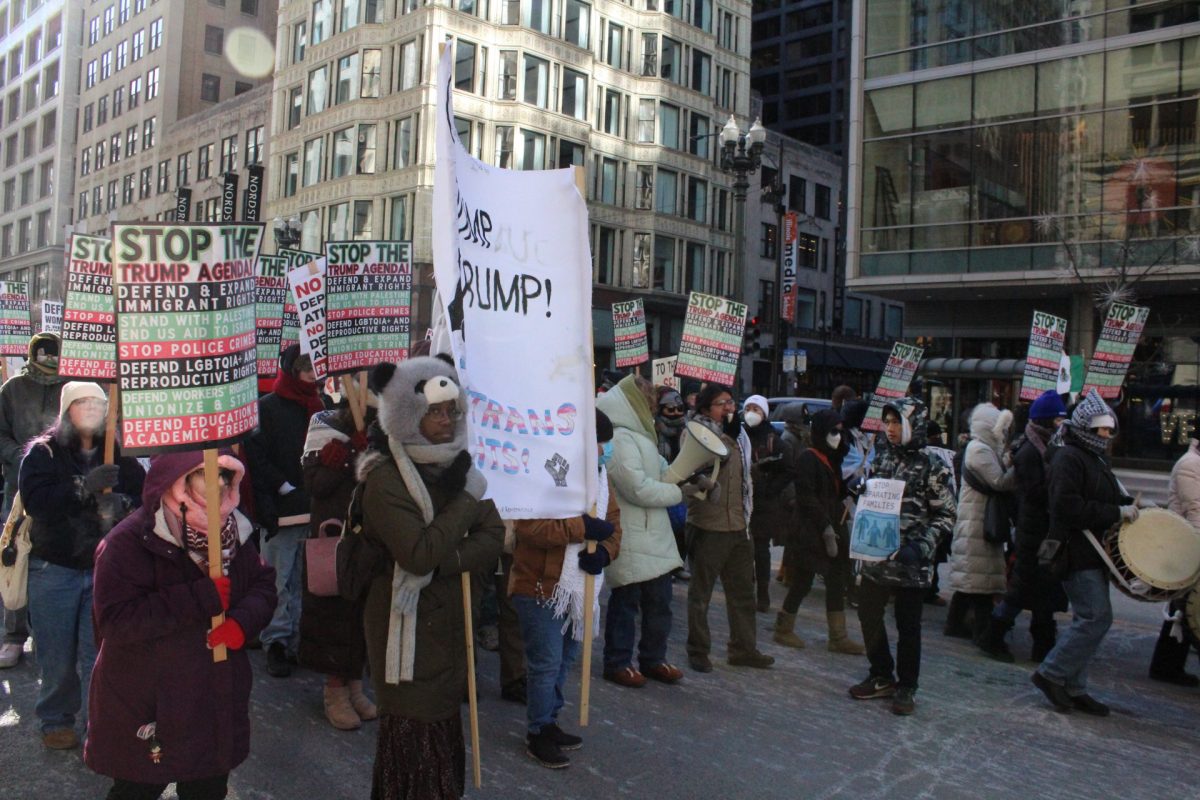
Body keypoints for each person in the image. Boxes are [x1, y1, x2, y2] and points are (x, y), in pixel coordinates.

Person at [85, 451, 276, 799]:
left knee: (206, 787)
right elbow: (115, 621)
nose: (219, 484)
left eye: (224, 475)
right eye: (207, 474)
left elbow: (262, 585)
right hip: (147, 700)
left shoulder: (235, 529)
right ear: (180, 480)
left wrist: (241, 622)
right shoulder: (129, 541)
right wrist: (198, 598)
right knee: (136, 788)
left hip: (212, 695)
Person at [359, 357, 503, 799]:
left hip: (449, 629)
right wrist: (464, 500)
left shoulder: (456, 465)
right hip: (405, 635)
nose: (445, 420)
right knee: (414, 753)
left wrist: (445, 558)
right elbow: (417, 554)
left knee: (442, 744)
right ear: (406, 414)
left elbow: (494, 534)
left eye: (450, 410)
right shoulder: (384, 477)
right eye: (433, 412)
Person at [19, 381, 144, 749]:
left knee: (100, 656)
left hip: (103, 570)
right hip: (53, 570)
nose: (91, 410)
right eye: (82, 403)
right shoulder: (43, 454)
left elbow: (145, 498)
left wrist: (122, 505)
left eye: (97, 404)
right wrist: (83, 487)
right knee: (56, 656)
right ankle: (55, 720)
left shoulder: (118, 452)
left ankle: (99, 724)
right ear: (66, 411)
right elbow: (36, 502)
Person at [510, 409, 622, 769]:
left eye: (608, 444)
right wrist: (581, 528)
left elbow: (615, 526)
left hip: (578, 590)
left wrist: (603, 553)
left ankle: (550, 720)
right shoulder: (550, 472)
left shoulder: (602, 481)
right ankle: (537, 732)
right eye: (601, 443)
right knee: (546, 663)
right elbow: (531, 527)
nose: (606, 451)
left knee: (565, 661)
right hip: (542, 586)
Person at [1031, 390, 1138, 716]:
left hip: (1092, 551)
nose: (1106, 436)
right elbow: (1066, 507)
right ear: (1085, 429)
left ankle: (1074, 687)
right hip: (1075, 551)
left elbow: (1099, 496)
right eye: (1101, 430)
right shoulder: (1069, 458)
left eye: (1108, 430)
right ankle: (1051, 674)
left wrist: (1125, 507)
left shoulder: (1092, 457)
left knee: (1086, 617)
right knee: (1096, 617)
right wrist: (1116, 513)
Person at [848, 397, 956, 716]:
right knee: (868, 612)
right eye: (888, 422)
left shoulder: (931, 464)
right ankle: (881, 673)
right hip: (876, 556)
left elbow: (946, 515)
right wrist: (863, 492)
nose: (891, 429)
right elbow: (873, 492)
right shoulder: (881, 456)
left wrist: (920, 547)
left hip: (911, 561)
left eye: (897, 422)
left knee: (908, 625)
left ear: (913, 424)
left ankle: (907, 685)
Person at [596, 374, 686, 688]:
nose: (653, 404)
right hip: (633, 534)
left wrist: (685, 475)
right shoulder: (621, 438)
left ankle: (653, 658)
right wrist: (677, 493)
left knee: (659, 603)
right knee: (627, 602)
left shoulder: (642, 435)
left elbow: (662, 470)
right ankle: (618, 661)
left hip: (653, 534)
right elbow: (636, 488)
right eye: (647, 398)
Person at [245, 344, 324, 678]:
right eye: (307, 371)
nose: (313, 378)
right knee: (278, 578)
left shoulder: (321, 408)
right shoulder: (268, 407)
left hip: (313, 506)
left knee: (303, 580)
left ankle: (295, 640)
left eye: (316, 371)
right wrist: (283, 486)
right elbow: (256, 456)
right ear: (293, 371)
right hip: (279, 508)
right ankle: (275, 641)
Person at [685, 384, 774, 672]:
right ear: (706, 407)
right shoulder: (695, 431)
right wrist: (727, 440)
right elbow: (699, 471)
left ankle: (743, 648)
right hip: (709, 524)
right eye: (721, 403)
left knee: (743, 592)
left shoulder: (737, 433)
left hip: (737, 523)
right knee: (702, 593)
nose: (729, 408)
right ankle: (698, 649)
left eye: (730, 402)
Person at [299, 402, 377, 730]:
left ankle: (355, 684)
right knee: (334, 613)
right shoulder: (323, 423)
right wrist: (344, 457)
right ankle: (335, 690)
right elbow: (315, 486)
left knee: (363, 613)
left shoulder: (383, 427)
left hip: (368, 538)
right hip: (332, 535)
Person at [980, 390, 1068, 662]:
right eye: (1057, 420)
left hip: (1041, 530)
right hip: (1032, 531)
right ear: (1045, 421)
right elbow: (1033, 493)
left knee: (1044, 593)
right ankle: (992, 637)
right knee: (1020, 591)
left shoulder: (1047, 448)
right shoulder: (1031, 451)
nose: (1060, 425)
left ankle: (1042, 645)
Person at [0, 332, 69, 669]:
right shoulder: (12, 389)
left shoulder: (71, 389)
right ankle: (13, 636)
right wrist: (20, 456)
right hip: (17, 488)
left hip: (59, 488)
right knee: (13, 556)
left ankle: (48, 636)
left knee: (54, 559)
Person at [773, 409, 864, 655]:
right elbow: (807, 496)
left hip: (831, 528)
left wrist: (851, 488)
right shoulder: (808, 458)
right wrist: (824, 527)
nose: (838, 436)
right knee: (802, 581)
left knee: (836, 581)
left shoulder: (831, 458)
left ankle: (838, 636)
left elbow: (830, 494)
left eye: (840, 431)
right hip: (809, 531)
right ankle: (783, 628)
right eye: (833, 431)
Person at [944, 403, 1016, 644]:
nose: (1003, 433)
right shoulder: (979, 450)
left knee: (970, 579)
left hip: (975, 519)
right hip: (977, 522)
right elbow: (999, 481)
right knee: (981, 581)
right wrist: (1015, 465)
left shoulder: (980, 448)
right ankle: (983, 633)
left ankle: (955, 625)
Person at [1149, 436, 1200, 685]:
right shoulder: (1191, 464)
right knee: (1187, 609)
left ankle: (1166, 666)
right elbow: (1196, 510)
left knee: (1182, 609)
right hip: (1188, 545)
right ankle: (1165, 667)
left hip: (1190, 544)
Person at [743, 394, 787, 613]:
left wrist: (770, 488)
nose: (751, 413)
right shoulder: (739, 434)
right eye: (748, 408)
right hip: (742, 500)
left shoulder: (774, 439)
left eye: (756, 409)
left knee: (760, 550)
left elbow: (787, 470)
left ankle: (763, 594)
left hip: (763, 503)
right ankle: (745, 589)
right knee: (743, 549)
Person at [654, 387, 690, 581]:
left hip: (682, 484)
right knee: (664, 528)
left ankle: (677, 564)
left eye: (679, 408)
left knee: (681, 527)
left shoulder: (687, 429)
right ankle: (665, 567)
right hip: (661, 483)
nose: (676, 413)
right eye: (670, 409)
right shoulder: (654, 429)